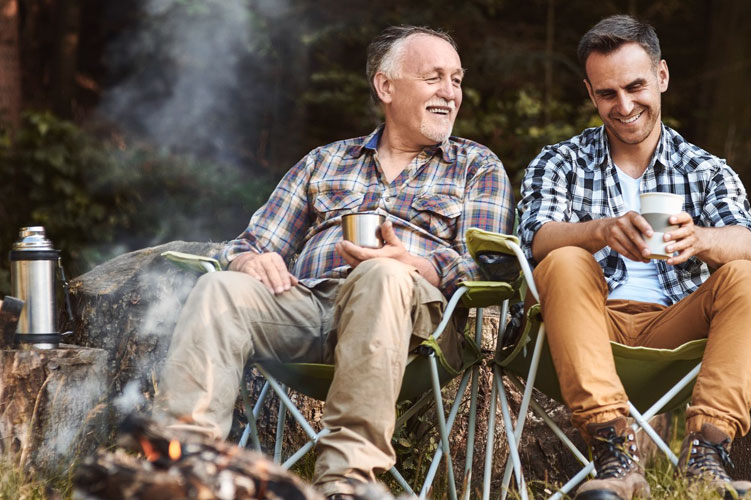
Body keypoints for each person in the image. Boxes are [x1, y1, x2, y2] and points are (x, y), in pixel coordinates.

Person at [155, 25, 513, 499]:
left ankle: (346, 481)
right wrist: (248, 262)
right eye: (434, 78)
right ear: (386, 87)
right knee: (222, 288)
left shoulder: (475, 166)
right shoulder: (324, 161)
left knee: (382, 273)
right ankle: (183, 470)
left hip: (416, 323)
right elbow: (251, 242)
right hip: (311, 308)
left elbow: (490, 268)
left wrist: (416, 263)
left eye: (457, 80)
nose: (450, 92)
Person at [518, 15, 751, 500]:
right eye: (608, 93)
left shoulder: (704, 168)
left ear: (662, 76)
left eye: (636, 86)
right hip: (588, 323)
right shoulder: (560, 162)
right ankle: (615, 455)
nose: (625, 105)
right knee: (564, 260)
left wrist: (701, 240)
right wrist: (599, 231)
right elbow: (534, 237)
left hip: (676, 327)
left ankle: (706, 456)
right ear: (591, 94)